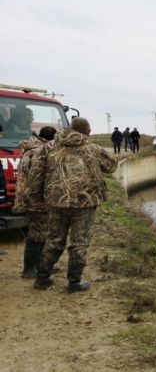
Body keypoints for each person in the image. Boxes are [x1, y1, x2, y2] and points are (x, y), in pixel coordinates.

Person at [29, 117, 117, 292]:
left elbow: (35, 174)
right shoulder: (93, 148)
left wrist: (36, 196)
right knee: (79, 242)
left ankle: (42, 278)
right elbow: (111, 166)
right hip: (85, 202)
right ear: (87, 132)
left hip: (56, 201)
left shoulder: (48, 147)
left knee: (54, 239)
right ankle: (74, 282)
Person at [16, 126, 57, 278]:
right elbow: (35, 179)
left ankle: (40, 265)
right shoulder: (38, 151)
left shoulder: (32, 148)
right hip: (36, 198)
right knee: (36, 233)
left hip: (32, 196)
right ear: (51, 139)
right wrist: (38, 199)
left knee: (42, 232)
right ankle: (29, 269)